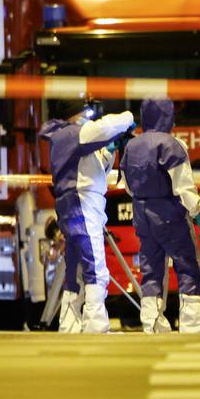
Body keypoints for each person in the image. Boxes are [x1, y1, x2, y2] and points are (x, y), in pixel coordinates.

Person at [39, 99, 135, 334]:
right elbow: (104, 127)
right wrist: (129, 118)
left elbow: (92, 167)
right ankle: (95, 322)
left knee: (75, 266)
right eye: (86, 112)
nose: (89, 117)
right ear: (74, 115)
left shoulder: (66, 137)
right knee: (95, 264)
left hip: (75, 202)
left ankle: (69, 322)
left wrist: (108, 153)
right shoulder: (74, 133)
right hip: (83, 203)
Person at [121, 98, 200, 334]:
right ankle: (193, 320)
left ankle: (151, 320)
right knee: (186, 263)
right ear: (168, 116)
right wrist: (199, 213)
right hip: (170, 214)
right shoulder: (172, 145)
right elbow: (184, 186)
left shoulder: (132, 146)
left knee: (151, 268)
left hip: (142, 214)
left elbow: (128, 186)